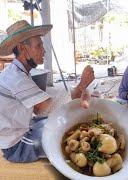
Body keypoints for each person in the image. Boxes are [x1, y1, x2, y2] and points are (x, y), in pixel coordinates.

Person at [0, 20, 95, 163]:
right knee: (67, 138)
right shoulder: (16, 78)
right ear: (22, 48)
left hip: (22, 131)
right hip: (17, 147)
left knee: (60, 121)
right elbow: (51, 107)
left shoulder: (16, 72)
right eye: (39, 46)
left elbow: (39, 110)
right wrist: (81, 86)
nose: (44, 50)